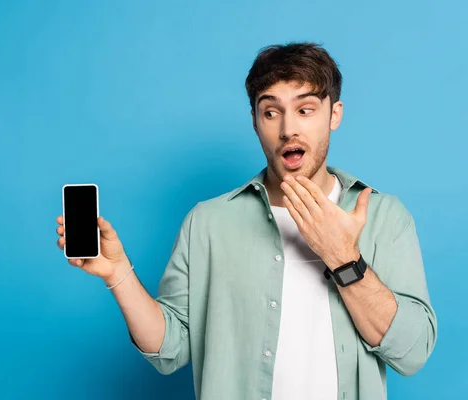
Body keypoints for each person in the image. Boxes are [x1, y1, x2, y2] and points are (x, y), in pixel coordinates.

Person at [55, 42, 437, 400]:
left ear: (334, 114)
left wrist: (344, 259)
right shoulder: (208, 223)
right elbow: (169, 349)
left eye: (305, 110)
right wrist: (118, 273)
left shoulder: (385, 217)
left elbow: (412, 352)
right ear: (255, 121)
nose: (288, 129)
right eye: (271, 111)